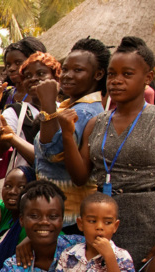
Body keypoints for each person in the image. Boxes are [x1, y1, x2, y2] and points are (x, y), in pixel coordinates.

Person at [60, 37, 155, 265]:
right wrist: (67, 136)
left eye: (127, 74)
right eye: (112, 74)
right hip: (99, 222)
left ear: (148, 77)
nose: (116, 81)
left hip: (144, 221)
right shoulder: (95, 123)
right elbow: (79, 178)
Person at [34, 37, 108, 232]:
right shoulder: (73, 107)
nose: (67, 76)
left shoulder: (84, 112)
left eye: (78, 70)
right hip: (59, 213)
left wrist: (48, 105)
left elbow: (53, 152)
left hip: (68, 218)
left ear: (98, 74)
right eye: (65, 69)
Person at [0, 52, 63, 168]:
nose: (33, 79)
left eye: (40, 73)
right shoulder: (16, 112)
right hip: (25, 182)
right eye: (28, 76)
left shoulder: (65, 109)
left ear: (55, 78)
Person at [0, 37, 47, 109]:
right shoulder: (5, 94)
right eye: (8, 65)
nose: (11, 68)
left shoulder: (42, 95)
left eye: (18, 63)